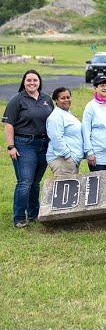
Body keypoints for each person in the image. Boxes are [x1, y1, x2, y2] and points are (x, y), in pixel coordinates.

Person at [2, 70, 54, 227]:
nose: (32, 83)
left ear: (39, 82)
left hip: (43, 144)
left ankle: (33, 214)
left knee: (35, 182)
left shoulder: (46, 99)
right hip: (24, 143)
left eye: (35, 80)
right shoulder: (17, 99)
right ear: (23, 82)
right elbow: (8, 124)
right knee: (25, 182)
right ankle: (19, 218)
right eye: (29, 80)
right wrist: (11, 146)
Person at [46, 87, 84, 177]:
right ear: (56, 100)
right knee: (65, 189)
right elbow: (56, 138)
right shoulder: (55, 117)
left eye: (68, 97)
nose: (66, 100)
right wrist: (67, 155)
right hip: (62, 160)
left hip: (71, 160)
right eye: (62, 98)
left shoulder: (67, 113)